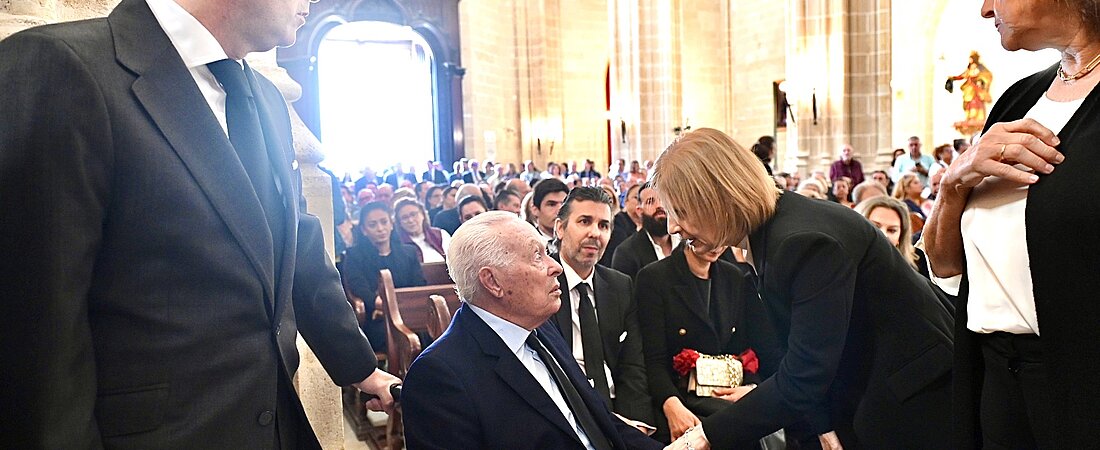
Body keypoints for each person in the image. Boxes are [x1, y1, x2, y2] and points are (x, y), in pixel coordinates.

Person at [0, 0, 402, 446]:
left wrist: (361, 369)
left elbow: (297, 248)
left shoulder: (265, 98)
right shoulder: (62, 66)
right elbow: (38, 331)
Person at [651, 128, 953, 449]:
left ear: (718, 196)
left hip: (917, 401)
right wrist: (822, 422)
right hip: (875, 393)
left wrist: (704, 436)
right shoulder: (776, 229)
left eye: (680, 212)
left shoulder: (801, 241)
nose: (672, 227)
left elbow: (804, 375)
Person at [922, 1, 1100, 447]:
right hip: (997, 375)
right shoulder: (1018, 99)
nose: (985, 9)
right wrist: (954, 183)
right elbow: (944, 266)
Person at [401, 212, 670, 450]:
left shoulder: (540, 327)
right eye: (537, 257)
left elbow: (592, 417)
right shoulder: (440, 377)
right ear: (492, 281)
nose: (555, 267)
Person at [635, 241, 783, 445]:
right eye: (708, 233)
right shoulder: (654, 278)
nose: (716, 244)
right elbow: (653, 360)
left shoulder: (734, 277)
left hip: (728, 396)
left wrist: (751, 388)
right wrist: (672, 406)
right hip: (679, 398)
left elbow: (747, 349)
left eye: (722, 235)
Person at [546, 187, 654, 428]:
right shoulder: (543, 285)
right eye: (585, 221)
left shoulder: (619, 286)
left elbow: (632, 366)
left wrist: (635, 425)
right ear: (560, 229)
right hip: (567, 414)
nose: (595, 233)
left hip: (618, 408)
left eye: (604, 225)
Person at [344, 202, 427, 344]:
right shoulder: (354, 256)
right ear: (364, 230)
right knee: (400, 336)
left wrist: (401, 308)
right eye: (373, 225)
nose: (380, 229)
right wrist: (383, 307)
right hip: (377, 318)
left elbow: (418, 286)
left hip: (409, 312)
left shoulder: (408, 252)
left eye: (384, 222)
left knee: (428, 333)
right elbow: (361, 289)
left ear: (392, 224)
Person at [612, 182, 681, 278]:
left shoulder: (686, 243)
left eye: (663, 200)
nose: (659, 206)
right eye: (650, 202)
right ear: (640, 211)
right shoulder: (626, 253)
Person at [393, 198, 449, 263]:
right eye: (404, 217)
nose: (410, 220)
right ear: (399, 223)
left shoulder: (441, 234)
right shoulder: (397, 243)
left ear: (423, 215)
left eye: (413, 214)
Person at [532, 178, 570, 250]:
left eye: (564, 204)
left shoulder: (577, 242)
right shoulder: (527, 245)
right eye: (551, 204)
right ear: (535, 210)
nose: (559, 210)